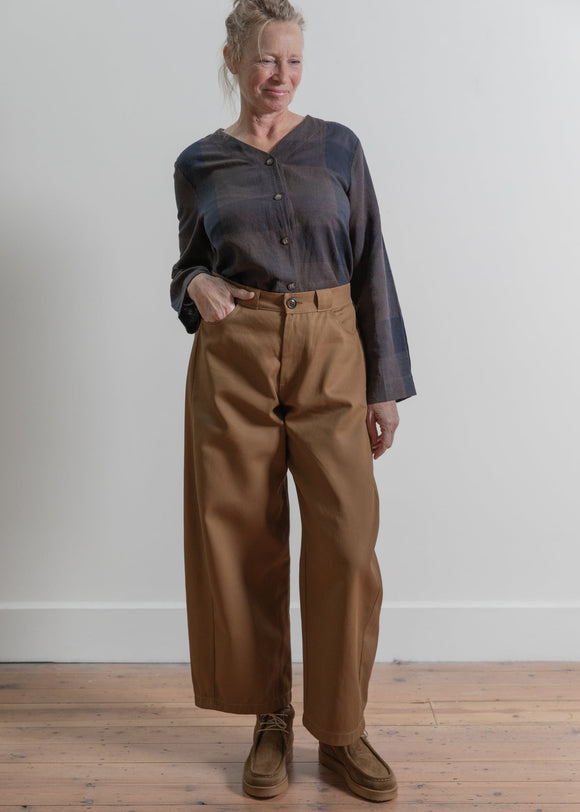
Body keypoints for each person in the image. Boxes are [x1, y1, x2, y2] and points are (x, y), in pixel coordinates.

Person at [170, 0, 415, 802]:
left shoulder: (339, 147)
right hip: (234, 354)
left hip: (331, 347)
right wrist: (196, 283)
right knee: (242, 540)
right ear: (234, 59)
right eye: (267, 59)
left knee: (346, 541)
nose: (281, 76)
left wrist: (384, 386)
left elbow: (371, 261)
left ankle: (341, 731)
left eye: (295, 60)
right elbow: (186, 266)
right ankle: (269, 718)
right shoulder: (200, 162)